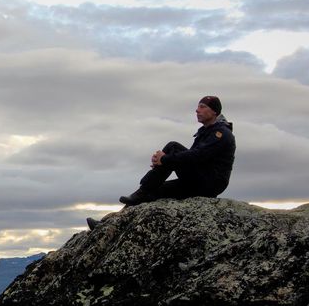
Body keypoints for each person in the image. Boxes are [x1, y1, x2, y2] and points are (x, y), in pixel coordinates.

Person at [87, 95, 235, 230]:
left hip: (210, 183)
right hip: (198, 180)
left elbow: (197, 156)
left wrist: (164, 159)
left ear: (214, 111)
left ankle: (141, 190)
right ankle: (108, 224)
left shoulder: (221, 133)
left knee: (173, 147)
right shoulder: (205, 131)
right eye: (198, 107)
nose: (197, 110)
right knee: (152, 191)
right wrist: (164, 162)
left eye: (202, 107)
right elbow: (190, 159)